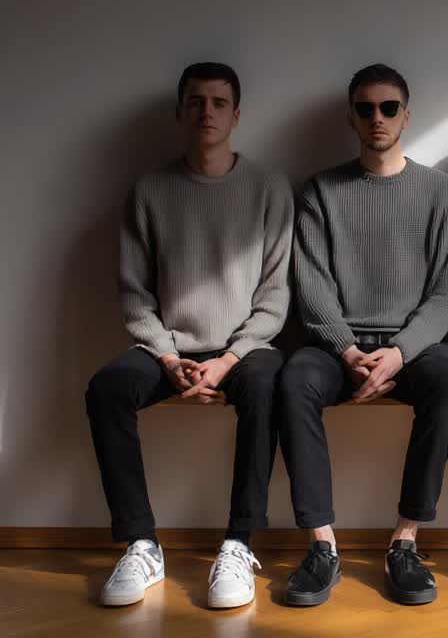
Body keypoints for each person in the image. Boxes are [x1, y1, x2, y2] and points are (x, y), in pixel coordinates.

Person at [86, 62, 293, 608]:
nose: (207, 112)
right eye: (196, 102)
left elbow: (275, 299)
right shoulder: (150, 189)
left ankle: (238, 542)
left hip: (243, 350)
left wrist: (226, 361)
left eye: (219, 102)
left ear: (237, 114)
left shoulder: (269, 187)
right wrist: (168, 357)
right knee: (106, 388)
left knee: (271, 380)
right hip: (166, 348)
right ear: (181, 112)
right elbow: (133, 293)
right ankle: (141, 543)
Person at [276, 64, 448, 607]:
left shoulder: (441, 191)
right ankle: (322, 546)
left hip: (412, 348)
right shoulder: (320, 190)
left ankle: (405, 541)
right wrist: (351, 351)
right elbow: (311, 286)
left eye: (388, 107)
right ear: (351, 116)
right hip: (339, 347)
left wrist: (399, 354)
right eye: (365, 108)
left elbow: (444, 295)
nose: (376, 118)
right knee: (293, 380)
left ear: (407, 114)